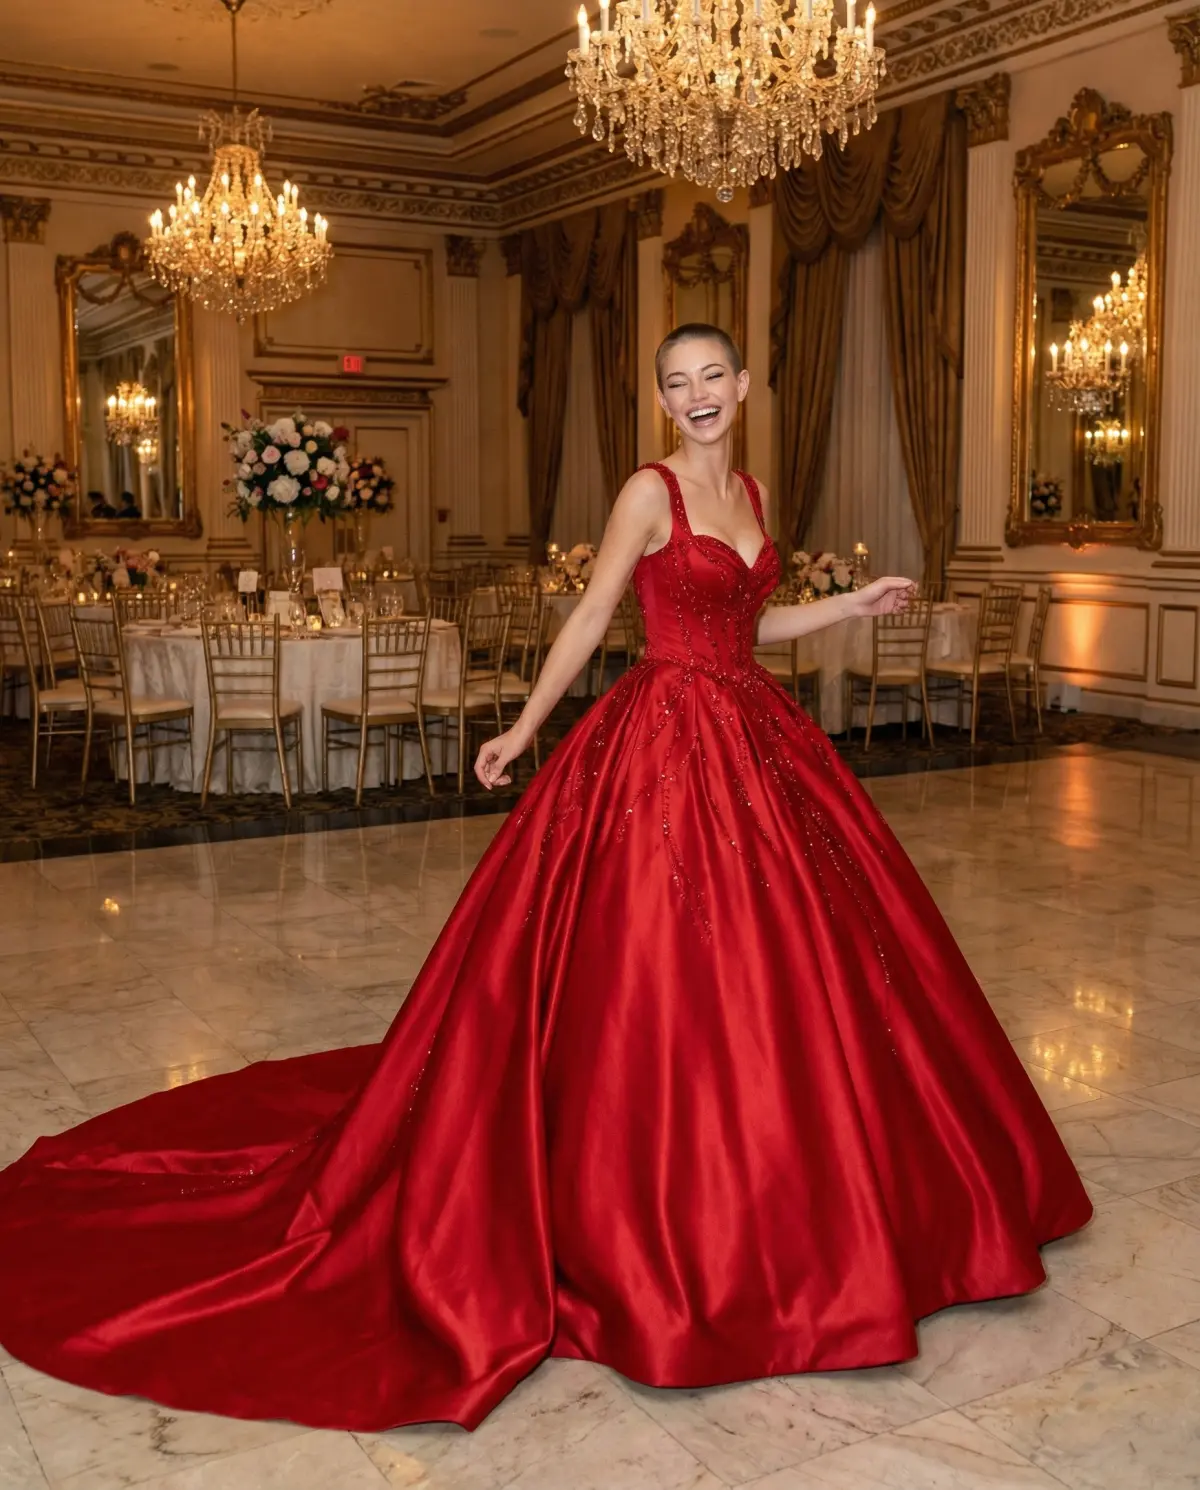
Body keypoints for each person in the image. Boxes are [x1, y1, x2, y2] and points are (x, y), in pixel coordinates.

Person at [0, 323, 1091, 1434]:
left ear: (746, 385)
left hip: (756, 734)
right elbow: (591, 616)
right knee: (650, 962)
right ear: (663, 400)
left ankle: (802, 1181)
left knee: (807, 965)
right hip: (664, 738)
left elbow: (755, 626)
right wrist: (522, 727)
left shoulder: (754, 488)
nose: (698, 394)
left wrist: (849, 608)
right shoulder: (647, 490)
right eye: (678, 383)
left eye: (713, 376)